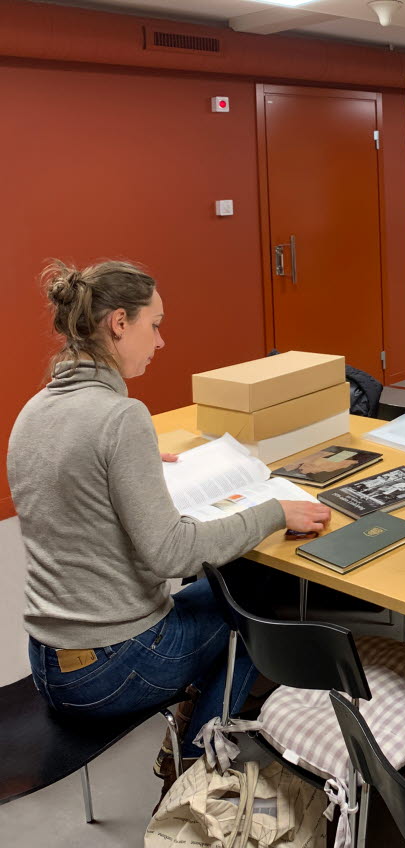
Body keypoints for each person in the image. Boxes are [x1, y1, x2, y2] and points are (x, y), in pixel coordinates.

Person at [7, 260, 332, 794]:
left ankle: (193, 723)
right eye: (153, 324)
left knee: (223, 589)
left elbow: (73, 477)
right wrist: (275, 510)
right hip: (110, 669)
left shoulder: (34, 411)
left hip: (48, 660)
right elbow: (172, 554)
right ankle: (194, 773)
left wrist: (137, 463)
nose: (160, 341)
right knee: (251, 625)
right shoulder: (120, 416)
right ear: (118, 323)